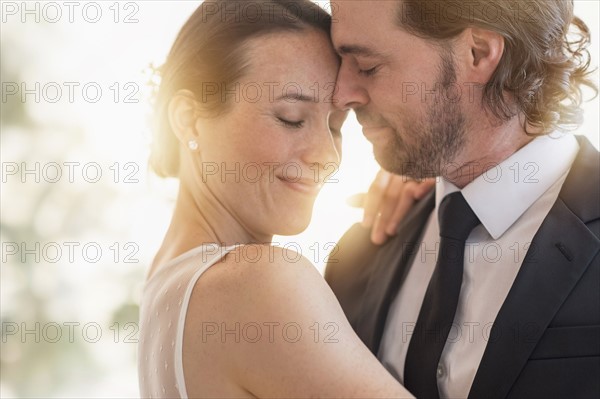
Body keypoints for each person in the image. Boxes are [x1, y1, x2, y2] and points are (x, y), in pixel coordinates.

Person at [138, 1, 417, 398]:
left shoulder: (166, 286)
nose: (327, 155)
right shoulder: (259, 284)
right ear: (188, 118)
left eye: (336, 126)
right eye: (291, 118)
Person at [325, 1, 599, 398]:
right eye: (340, 61)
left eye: (367, 66)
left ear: (479, 53)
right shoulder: (360, 250)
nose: (341, 95)